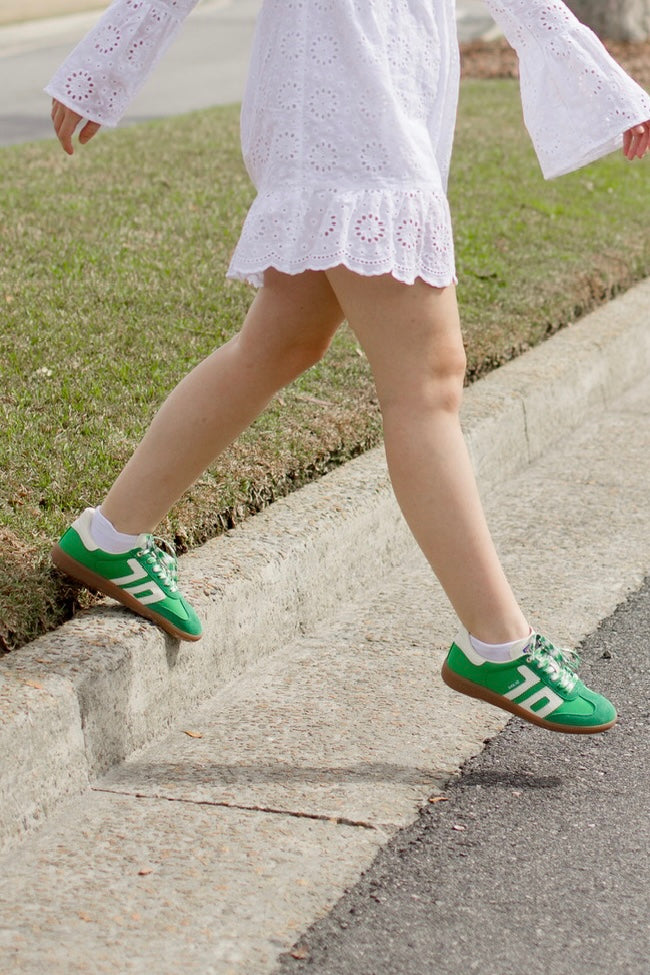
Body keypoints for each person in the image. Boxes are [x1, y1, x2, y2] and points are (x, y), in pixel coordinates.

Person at [47, 0, 650, 735]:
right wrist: (100, 69)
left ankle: (110, 537)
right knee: (428, 380)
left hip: (369, 96)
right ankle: (498, 642)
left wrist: (604, 86)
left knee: (282, 342)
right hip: (352, 111)